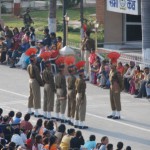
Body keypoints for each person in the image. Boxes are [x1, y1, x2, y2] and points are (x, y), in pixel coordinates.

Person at [27, 49, 43, 117]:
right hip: (35, 81)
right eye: (35, 57)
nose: (36, 58)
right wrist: (41, 83)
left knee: (31, 95)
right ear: (33, 59)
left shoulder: (29, 65)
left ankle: (29, 109)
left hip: (30, 80)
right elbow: (38, 76)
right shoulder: (35, 66)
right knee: (36, 96)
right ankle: (36, 111)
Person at [107, 53, 123, 119]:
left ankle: (118, 114)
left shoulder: (117, 72)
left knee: (116, 100)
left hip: (116, 86)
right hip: (111, 86)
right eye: (110, 64)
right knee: (111, 99)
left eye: (111, 64)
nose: (110, 65)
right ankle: (113, 112)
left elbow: (120, 80)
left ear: (115, 64)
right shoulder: (111, 71)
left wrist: (121, 88)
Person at [74, 61, 88, 129]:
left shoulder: (77, 79)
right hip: (81, 95)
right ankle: (81, 124)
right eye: (83, 72)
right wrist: (82, 98)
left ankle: (76, 122)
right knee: (82, 109)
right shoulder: (82, 80)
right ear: (81, 73)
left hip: (77, 94)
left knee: (77, 109)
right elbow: (82, 90)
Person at [55, 56, 67, 122]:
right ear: (62, 69)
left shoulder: (56, 76)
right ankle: (62, 116)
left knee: (57, 103)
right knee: (63, 103)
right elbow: (64, 86)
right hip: (62, 90)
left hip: (57, 90)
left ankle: (57, 115)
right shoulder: (62, 76)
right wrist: (64, 94)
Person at [65, 56, 76, 125]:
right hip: (72, 91)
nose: (74, 70)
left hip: (68, 91)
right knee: (73, 105)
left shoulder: (68, 77)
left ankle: (68, 118)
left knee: (69, 105)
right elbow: (75, 86)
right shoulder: (73, 78)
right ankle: (72, 119)